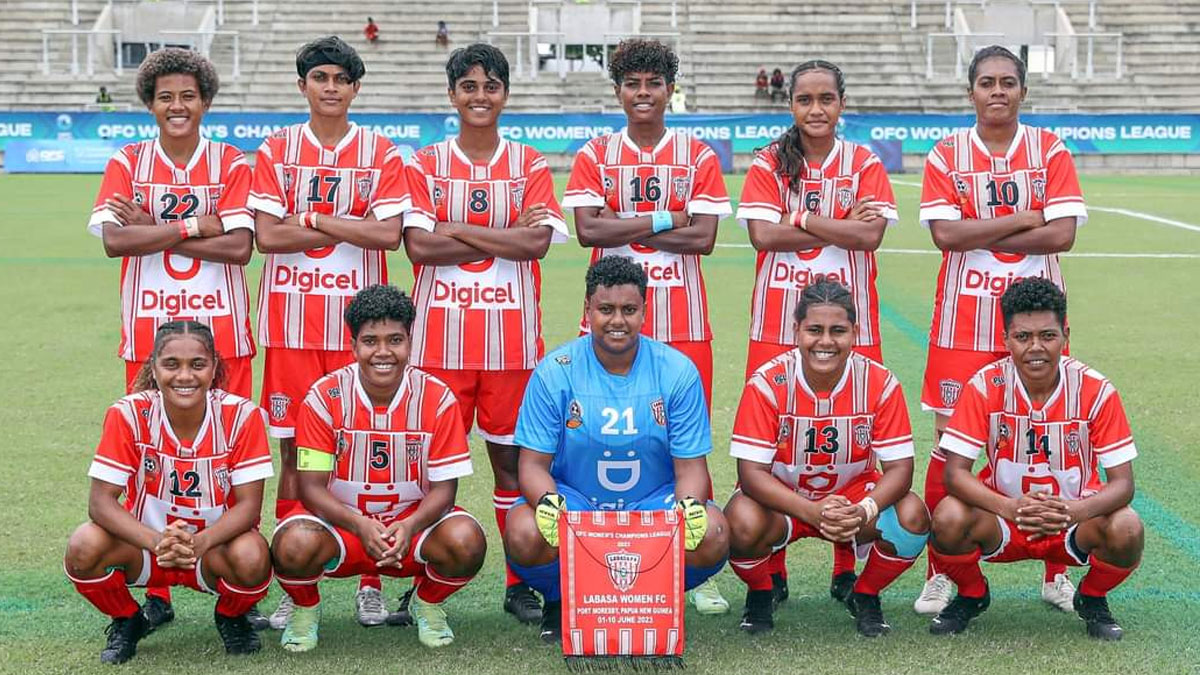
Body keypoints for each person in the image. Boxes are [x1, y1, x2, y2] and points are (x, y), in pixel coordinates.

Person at [87, 47, 258, 631]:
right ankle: (155, 585)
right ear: (150, 104)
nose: (177, 106)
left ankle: (237, 589)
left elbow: (238, 247)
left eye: (188, 96)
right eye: (166, 97)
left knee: (233, 459)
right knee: (146, 461)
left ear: (205, 102)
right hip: (146, 336)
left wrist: (153, 230)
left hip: (225, 335)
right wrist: (193, 224)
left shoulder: (232, 162)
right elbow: (114, 242)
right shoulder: (128, 159)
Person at [250, 35, 416, 630]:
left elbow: (389, 234)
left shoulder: (380, 151)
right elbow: (267, 237)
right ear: (302, 86)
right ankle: (298, 587)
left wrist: (315, 218)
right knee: (295, 455)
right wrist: (355, 223)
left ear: (354, 88)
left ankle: (371, 581)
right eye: (318, 77)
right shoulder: (276, 148)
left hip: (362, 334)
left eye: (340, 79)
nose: (329, 87)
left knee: (370, 451)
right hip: (292, 329)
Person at [915, 45, 1087, 617]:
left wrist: (978, 231)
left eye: (1007, 82)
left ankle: (1057, 568)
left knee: (1056, 443)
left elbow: (1062, 235)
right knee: (949, 449)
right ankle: (944, 572)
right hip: (961, 324)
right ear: (970, 93)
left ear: (1022, 91)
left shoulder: (1050, 149)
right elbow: (944, 237)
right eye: (986, 82)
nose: (997, 91)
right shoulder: (946, 152)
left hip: (1034, 323)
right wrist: (1022, 218)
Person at [401, 43, 568, 626]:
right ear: (452, 95)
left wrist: (457, 227)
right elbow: (419, 246)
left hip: (511, 349)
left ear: (505, 94)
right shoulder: (423, 164)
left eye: (490, 85)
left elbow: (537, 243)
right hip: (435, 348)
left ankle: (522, 581)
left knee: (513, 466)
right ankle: (415, 576)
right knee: (422, 469)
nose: (479, 96)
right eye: (468, 86)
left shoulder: (529, 164)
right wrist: (501, 229)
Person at [563, 38, 731, 614]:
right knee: (599, 438)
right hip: (608, 324)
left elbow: (703, 239)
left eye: (653, 84)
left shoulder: (699, 155)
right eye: (631, 83)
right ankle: (592, 549)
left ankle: (694, 569)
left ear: (668, 90)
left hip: (684, 322)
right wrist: (665, 217)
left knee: (684, 448)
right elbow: (588, 232)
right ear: (618, 90)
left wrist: (623, 226)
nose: (642, 93)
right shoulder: (594, 153)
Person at [736, 60, 898, 608]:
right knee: (781, 441)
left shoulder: (865, 161)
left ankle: (845, 564)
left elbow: (869, 236)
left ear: (842, 103)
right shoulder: (768, 162)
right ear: (792, 106)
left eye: (826, 98)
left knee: (853, 438)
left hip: (852, 324)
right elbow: (762, 235)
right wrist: (835, 220)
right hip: (776, 321)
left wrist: (800, 218)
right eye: (805, 100)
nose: (816, 109)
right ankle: (774, 566)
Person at [503, 256, 730, 643]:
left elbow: (691, 468)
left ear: (645, 310)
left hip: (652, 507)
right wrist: (547, 502)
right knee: (523, 529)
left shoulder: (677, 371)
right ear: (587, 309)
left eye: (629, 310)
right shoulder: (555, 370)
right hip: (577, 506)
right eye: (605, 310)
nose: (617, 321)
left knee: (713, 532)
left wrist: (689, 506)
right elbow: (532, 465)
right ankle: (561, 597)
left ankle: (651, 599)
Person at [270, 284, 486, 651]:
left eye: (395, 340)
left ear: (409, 342)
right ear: (353, 346)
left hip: (411, 526)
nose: (383, 352)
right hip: (343, 528)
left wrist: (408, 525)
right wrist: (359, 524)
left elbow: (445, 491)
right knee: (292, 544)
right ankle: (306, 610)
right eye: (370, 341)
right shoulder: (324, 398)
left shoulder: (438, 399)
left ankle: (427, 602)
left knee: (467, 540)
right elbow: (310, 488)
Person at [926, 278, 1142, 640]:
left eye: (1048, 335)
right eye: (1023, 337)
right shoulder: (984, 384)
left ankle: (1091, 597)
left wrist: (1072, 511)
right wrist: (1009, 508)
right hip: (1004, 520)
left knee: (1128, 527)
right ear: (1006, 339)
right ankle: (973, 594)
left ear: (1065, 334)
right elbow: (954, 474)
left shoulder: (1096, 389)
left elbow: (1124, 484)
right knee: (947, 516)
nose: (1035, 348)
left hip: (1074, 520)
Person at [724, 280, 928, 637]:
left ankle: (865, 593)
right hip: (784, 499)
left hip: (852, 499)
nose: (825, 342)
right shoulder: (767, 383)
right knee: (740, 521)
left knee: (912, 517)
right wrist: (812, 512)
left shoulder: (880, 383)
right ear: (796, 330)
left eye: (838, 331)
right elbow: (751, 473)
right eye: (814, 330)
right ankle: (761, 591)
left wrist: (863, 509)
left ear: (855, 332)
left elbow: (900, 470)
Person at [63, 321, 274, 664]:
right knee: (83, 545)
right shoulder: (129, 413)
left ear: (215, 367)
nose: (185, 376)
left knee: (253, 556)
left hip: (212, 550)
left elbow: (249, 508)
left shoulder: (242, 416)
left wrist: (200, 543)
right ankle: (128, 620)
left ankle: (231, 616)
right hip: (146, 549)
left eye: (198, 364)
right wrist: (157, 542)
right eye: (171, 364)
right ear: (153, 367)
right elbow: (100, 503)